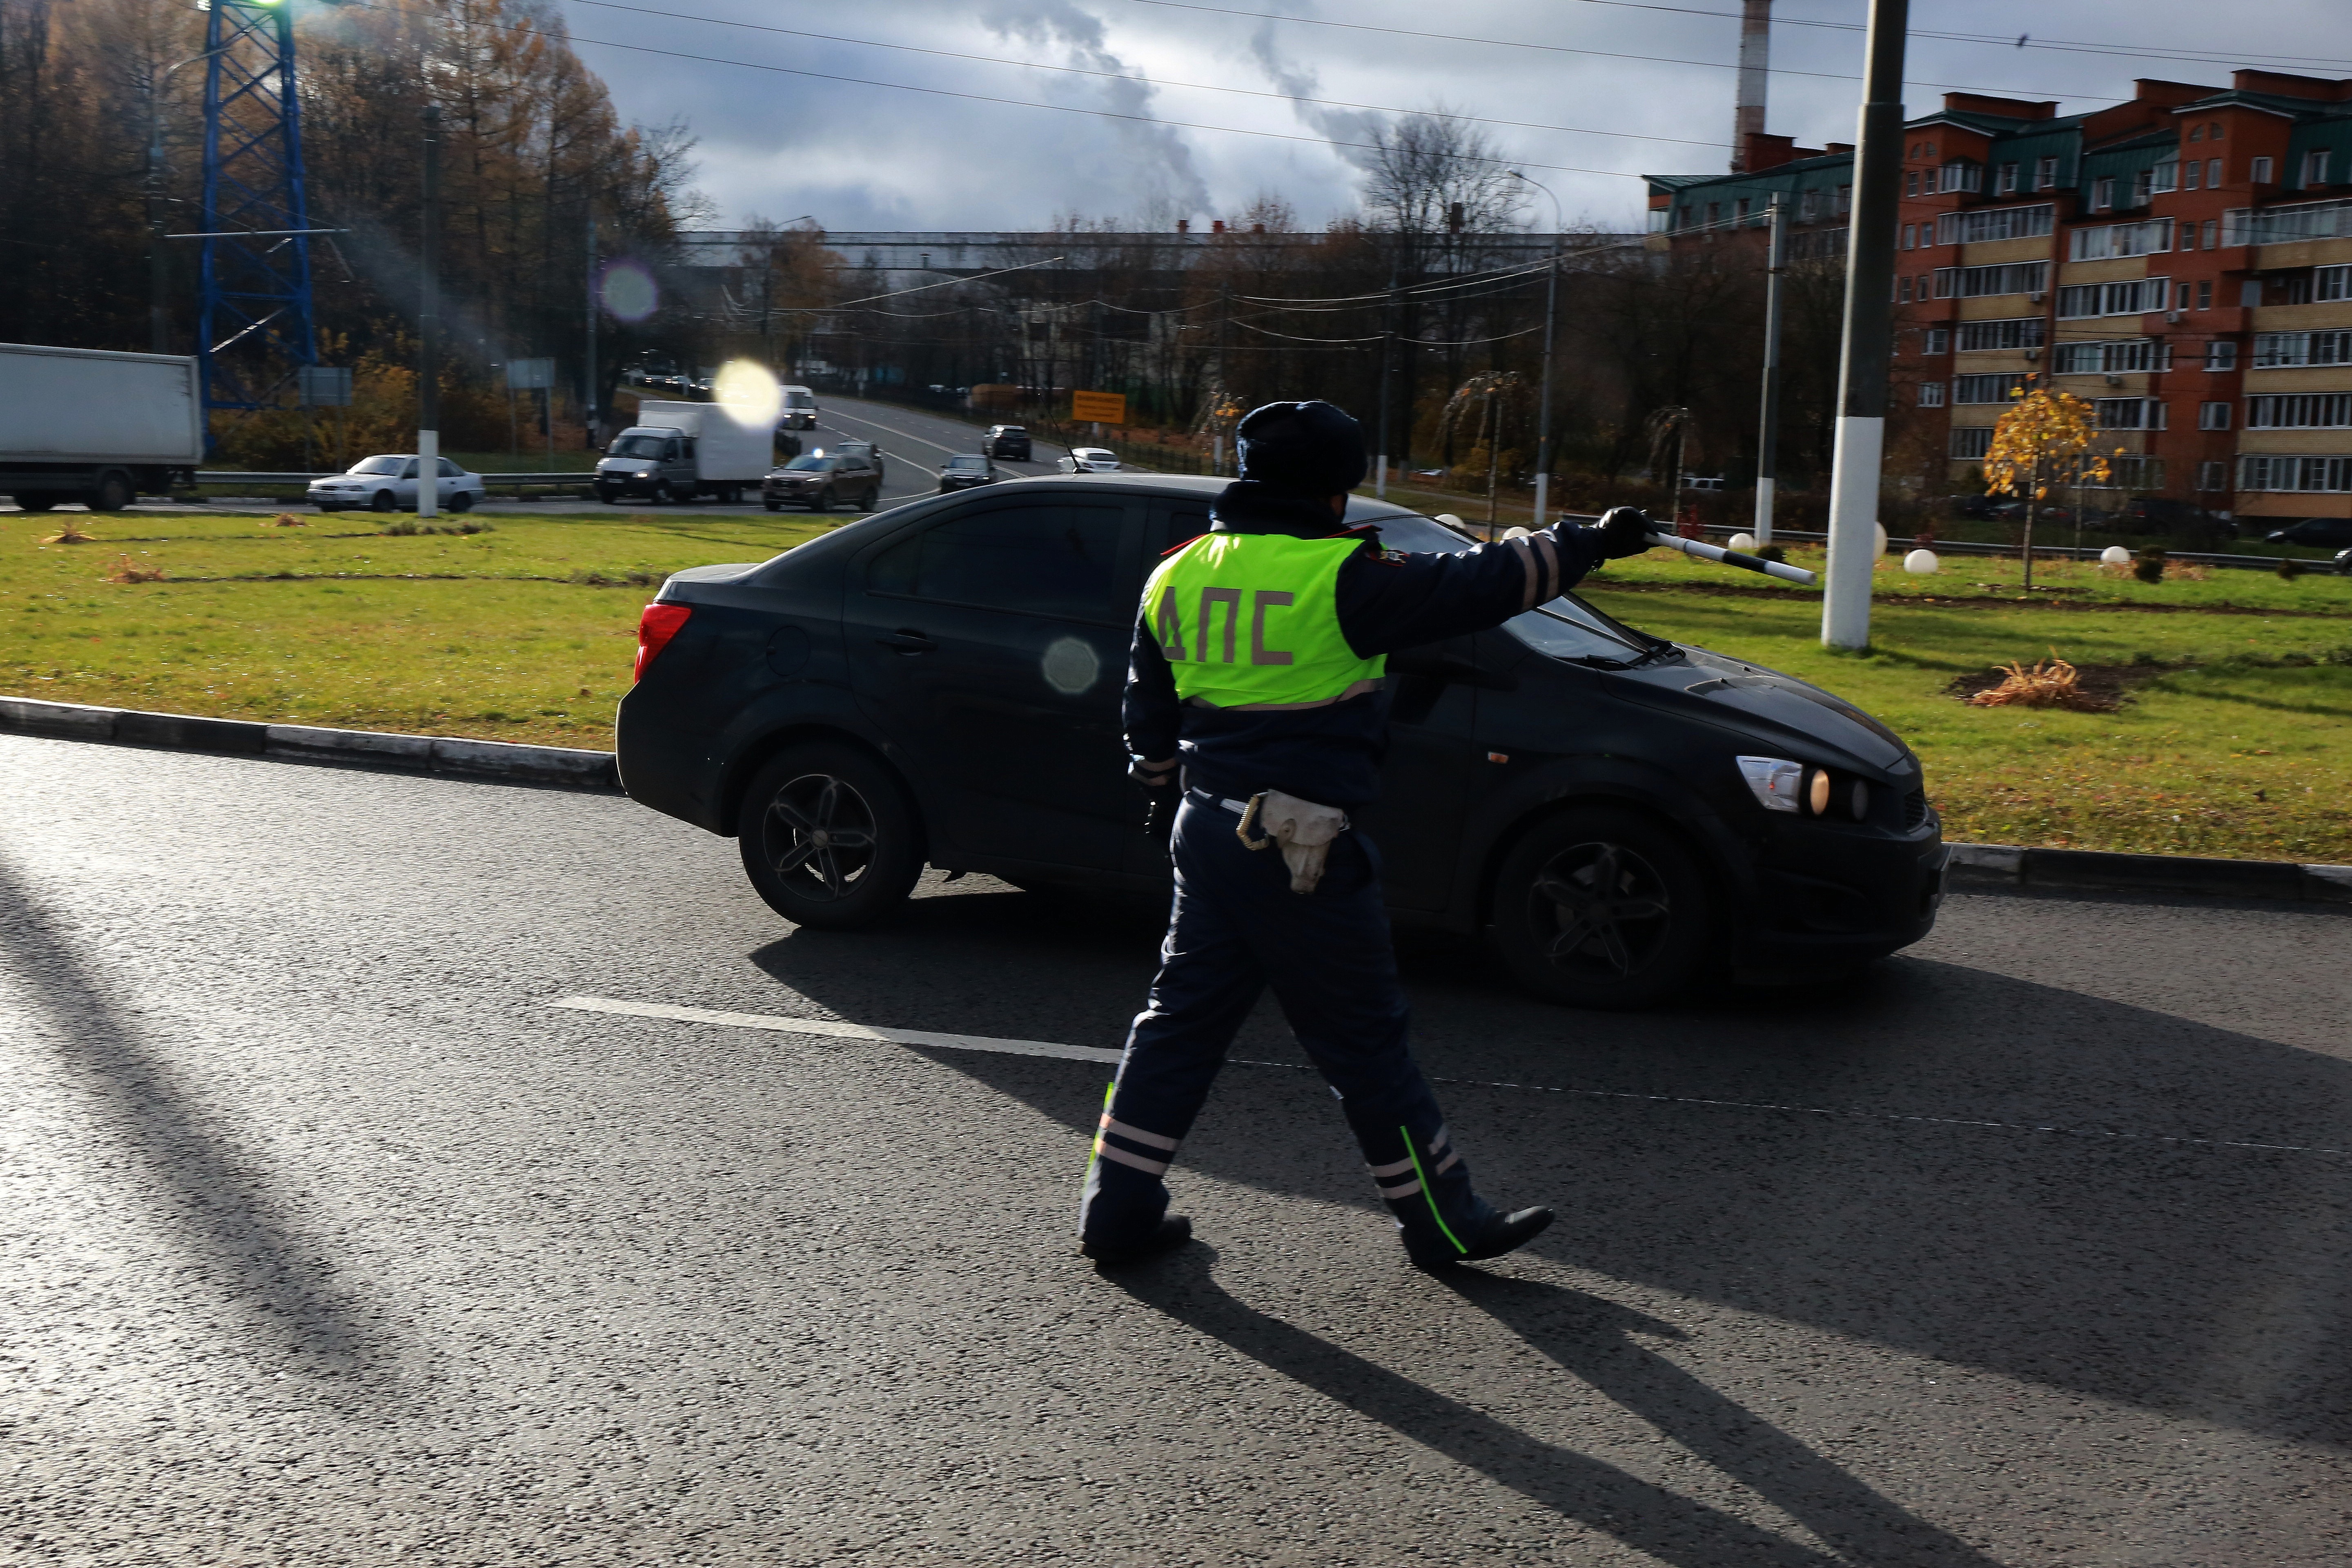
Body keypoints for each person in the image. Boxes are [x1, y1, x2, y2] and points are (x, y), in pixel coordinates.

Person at [1079, 399, 1655, 1268]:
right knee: (1364, 1040)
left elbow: (1148, 717)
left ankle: (1114, 1211)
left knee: (1178, 1026)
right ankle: (1444, 1220)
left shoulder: (1179, 572)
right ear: (1331, 493)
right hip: (1304, 844)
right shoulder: (1342, 580)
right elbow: (1478, 584)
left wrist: (1160, 793)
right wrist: (1589, 541)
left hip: (1207, 831)